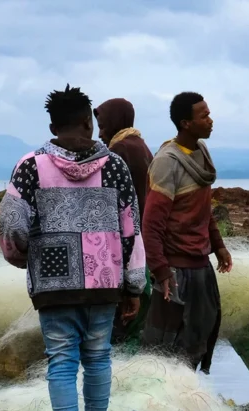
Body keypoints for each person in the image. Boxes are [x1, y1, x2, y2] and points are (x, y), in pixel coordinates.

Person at [0, 85, 147, 411]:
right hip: (104, 282)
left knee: (61, 364)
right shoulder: (114, 165)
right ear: (89, 121)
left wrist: (25, 257)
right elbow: (132, 228)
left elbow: (12, 227)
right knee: (98, 358)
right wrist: (133, 285)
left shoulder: (30, 166)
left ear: (51, 125)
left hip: (54, 285)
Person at [141, 91, 233, 372]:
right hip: (176, 271)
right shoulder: (167, 162)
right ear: (186, 123)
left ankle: (189, 404)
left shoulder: (201, 153)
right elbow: (151, 224)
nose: (211, 120)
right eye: (204, 116)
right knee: (167, 346)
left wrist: (218, 246)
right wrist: (161, 271)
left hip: (201, 265)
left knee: (199, 338)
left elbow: (202, 211)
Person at [94, 97, 155, 346]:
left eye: (103, 125)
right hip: (142, 242)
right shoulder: (139, 145)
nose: (99, 133)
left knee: (119, 327)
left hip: (128, 245)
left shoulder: (121, 150)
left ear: (115, 122)